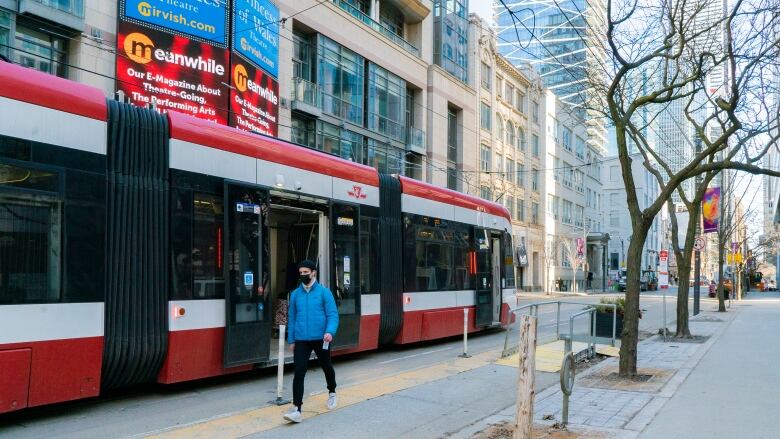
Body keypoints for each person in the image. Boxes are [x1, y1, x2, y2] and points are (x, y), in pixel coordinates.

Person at [283, 260, 339, 424]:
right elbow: (292, 318)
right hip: (301, 339)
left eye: (306, 273)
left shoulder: (324, 293)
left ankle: (332, 392)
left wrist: (329, 331)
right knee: (299, 372)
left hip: (321, 338)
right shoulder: (295, 294)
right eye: (300, 273)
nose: (303, 276)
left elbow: (332, 315)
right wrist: (291, 339)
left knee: (326, 365)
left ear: (314, 272)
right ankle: (297, 409)